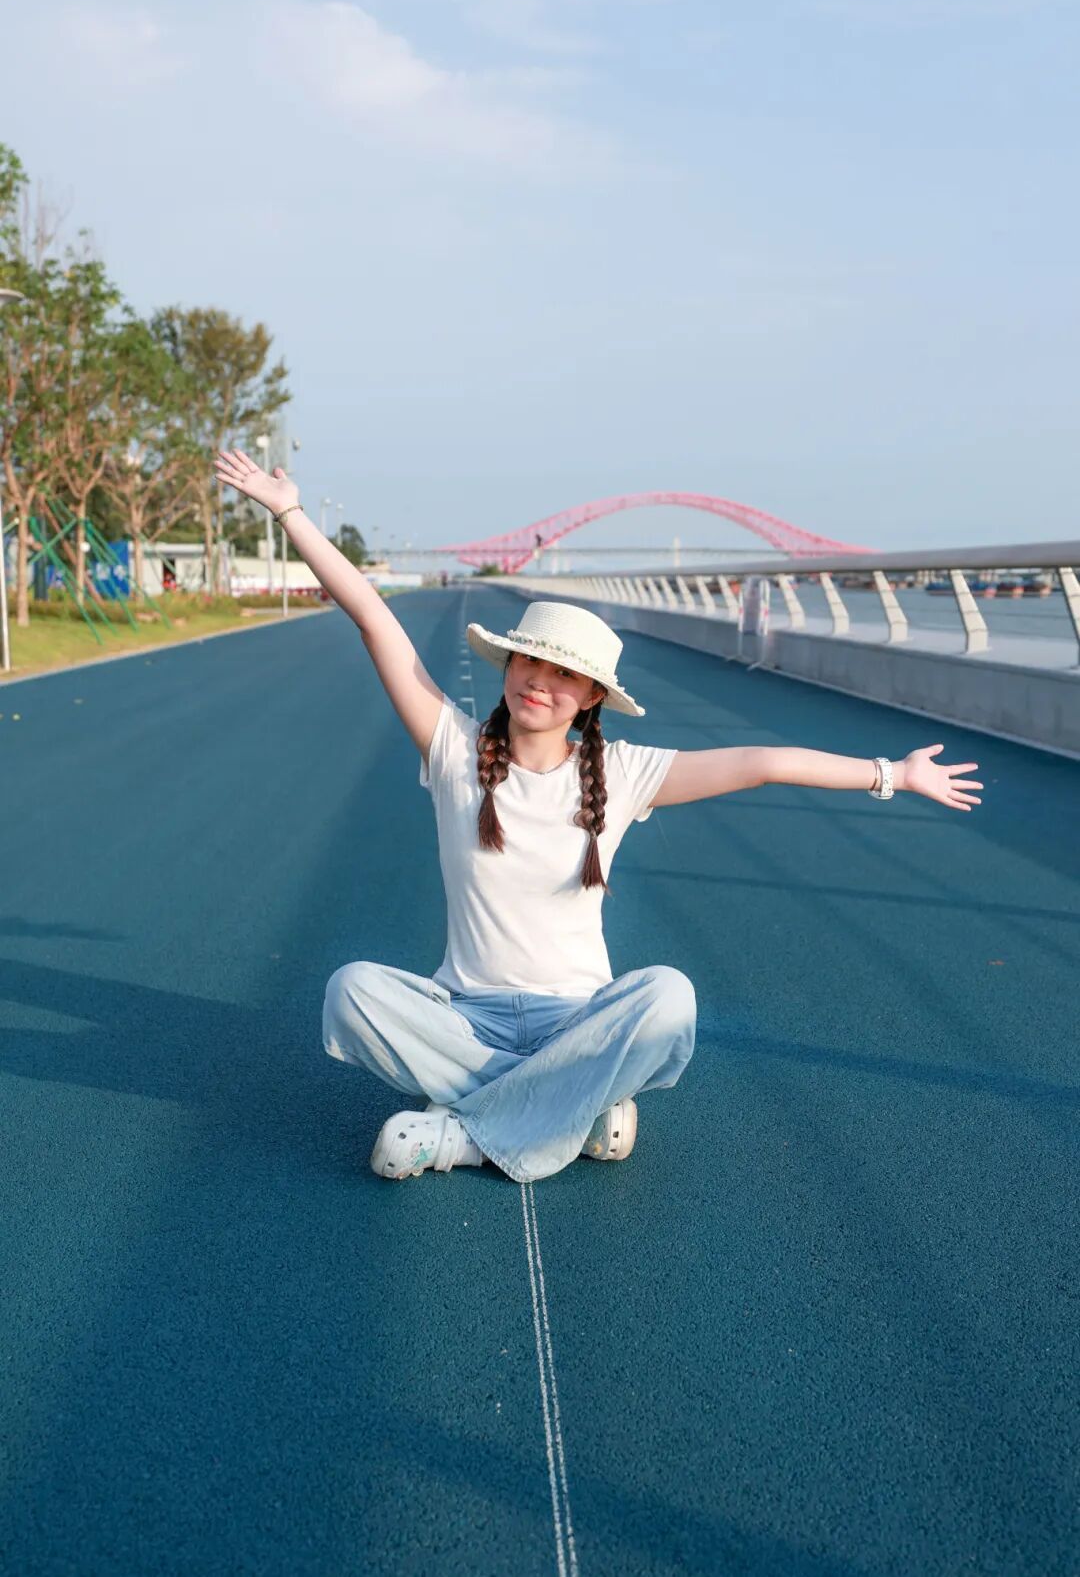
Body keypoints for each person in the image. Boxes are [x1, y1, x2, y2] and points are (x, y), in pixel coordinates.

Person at [213, 448, 985, 1185]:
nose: (538, 682)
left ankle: (463, 1135)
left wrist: (894, 775)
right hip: (467, 1019)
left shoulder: (622, 773)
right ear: (508, 665)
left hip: (581, 1022)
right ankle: (568, 1112)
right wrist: (291, 514)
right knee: (351, 991)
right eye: (528, 662)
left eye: (562, 675)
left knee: (669, 997)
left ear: (589, 698)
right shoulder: (453, 750)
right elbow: (374, 619)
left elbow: (763, 762)